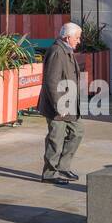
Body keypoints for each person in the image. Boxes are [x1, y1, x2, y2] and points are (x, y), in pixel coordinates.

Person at [37, 21, 84, 184]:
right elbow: (52, 81)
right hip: (58, 106)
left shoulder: (66, 50)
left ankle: (62, 167)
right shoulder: (57, 51)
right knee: (55, 139)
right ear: (67, 37)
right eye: (77, 38)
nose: (79, 41)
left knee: (77, 132)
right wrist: (59, 105)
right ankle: (50, 174)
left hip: (69, 105)